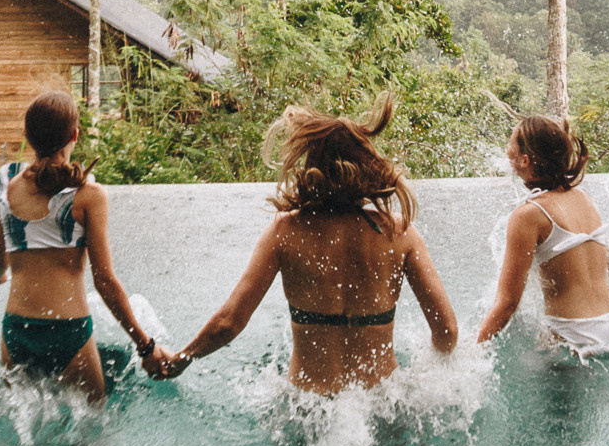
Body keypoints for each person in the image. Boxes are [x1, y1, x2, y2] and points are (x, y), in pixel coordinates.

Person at [149, 96, 458, 392]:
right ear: (365, 163)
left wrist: (181, 359)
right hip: (380, 400)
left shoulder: (286, 231)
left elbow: (230, 322)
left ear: (313, 164)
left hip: (307, 404)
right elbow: (447, 331)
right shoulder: (400, 233)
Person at [0, 90, 156, 402]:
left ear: (26, 135)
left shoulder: (5, 179)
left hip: (16, 329)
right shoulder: (88, 194)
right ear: (74, 135)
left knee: (22, 435)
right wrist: (145, 345)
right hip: (67, 331)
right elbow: (105, 281)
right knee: (90, 440)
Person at [476, 115, 609, 356]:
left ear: (525, 160)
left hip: (573, 335)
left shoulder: (528, 214)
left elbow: (507, 304)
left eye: (510, 145)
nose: (506, 151)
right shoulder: (584, 198)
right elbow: (608, 267)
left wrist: (472, 349)